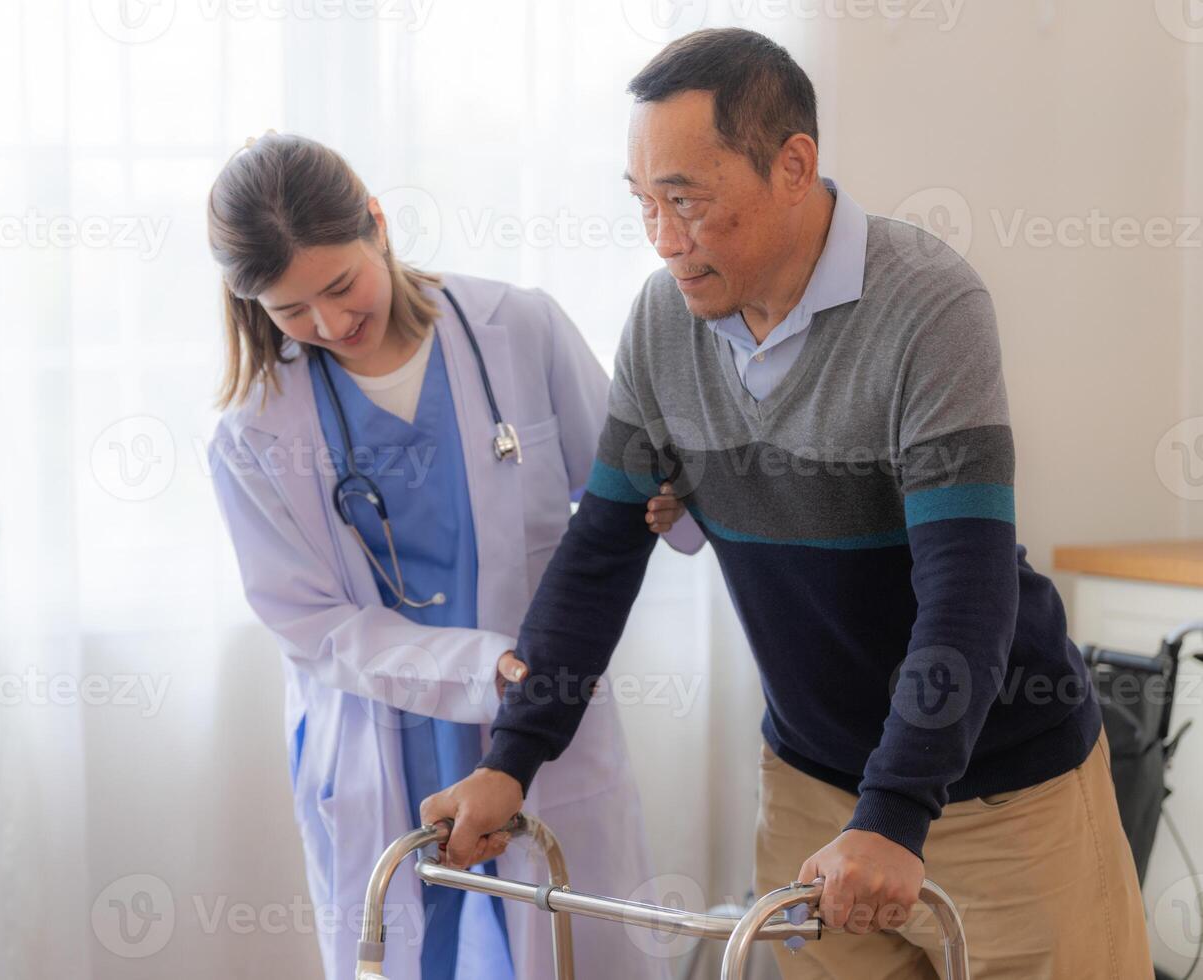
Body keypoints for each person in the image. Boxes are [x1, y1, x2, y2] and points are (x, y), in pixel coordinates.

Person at [423, 28, 1153, 979]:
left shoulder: (927, 308)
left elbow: (966, 593)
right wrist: (510, 759)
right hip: (811, 793)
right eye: (645, 203)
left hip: (1002, 799)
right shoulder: (662, 321)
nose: (665, 239)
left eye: (686, 200)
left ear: (794, 166)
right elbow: (599, 553)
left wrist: (894, 812)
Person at [205, 132, 695, 980]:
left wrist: (672, 496)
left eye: (339, 285)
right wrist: (482, 664)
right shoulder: (253, 431)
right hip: (379, 732)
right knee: (402, 951)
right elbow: (313, 625)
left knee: (572, 945)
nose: (330, 324)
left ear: (378, 224)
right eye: (291, 311)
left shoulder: (519, 327)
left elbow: (628, 486)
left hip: (538, 716)